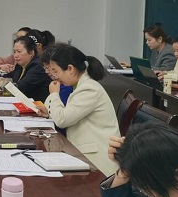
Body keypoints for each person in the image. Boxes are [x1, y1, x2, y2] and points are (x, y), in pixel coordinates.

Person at [37, 44, 119, 176]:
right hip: (82, 151)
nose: (54, 76)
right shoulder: (80, 85)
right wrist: (49, 113)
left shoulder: (89, 89)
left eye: (55, 71)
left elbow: (63, 120)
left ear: (70, 68)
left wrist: (54, 94)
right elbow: (69, 114)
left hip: (97, 160)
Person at [8, 35, 51, 102]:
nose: (15, 55)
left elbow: (20, 87)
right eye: (14, 52)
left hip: (37, 105)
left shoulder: (37, 67)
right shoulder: (20, 65)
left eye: (19, 51)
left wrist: (2, 84)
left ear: (31, 52)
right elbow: (8, 76)